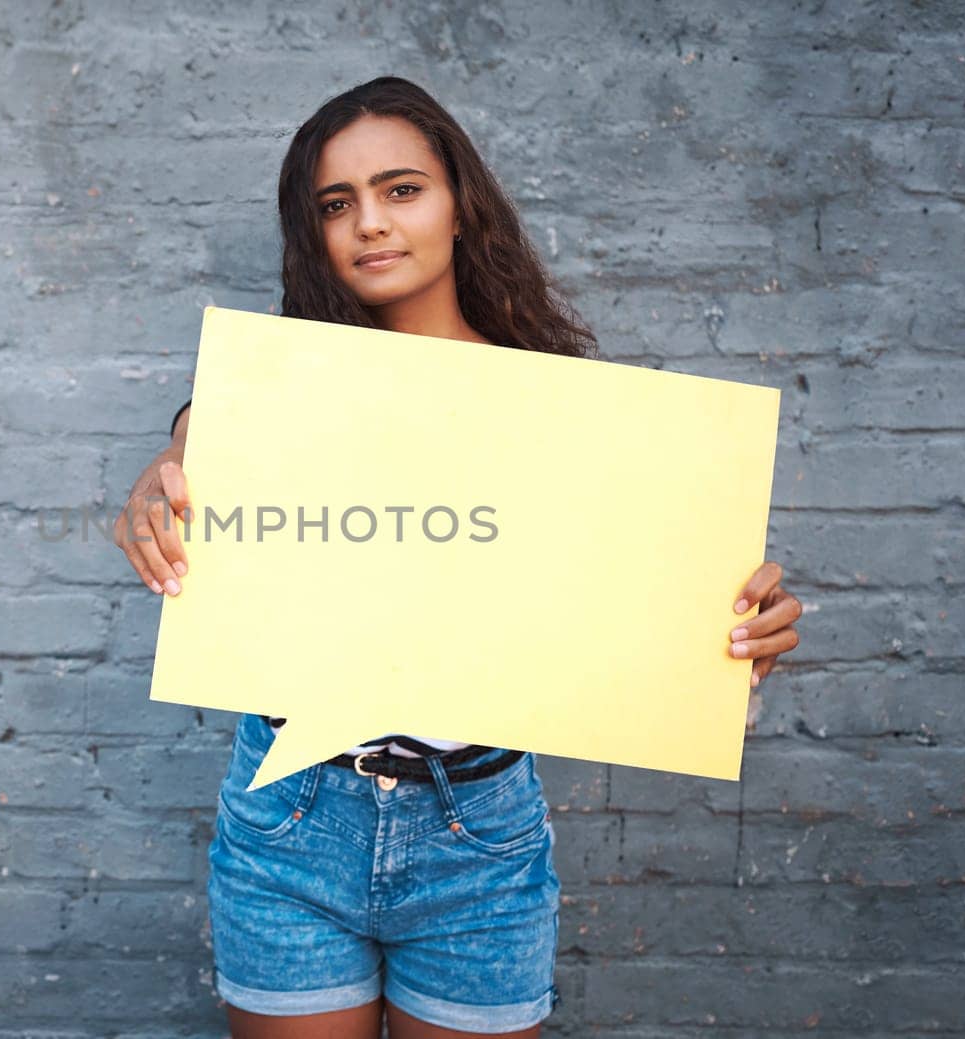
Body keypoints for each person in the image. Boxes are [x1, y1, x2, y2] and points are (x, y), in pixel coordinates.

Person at [113, 76, 803, 1039]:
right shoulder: (277, 391)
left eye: (401, 189)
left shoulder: (568, 412)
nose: (369, 224)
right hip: (291, 820)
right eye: (336, 204)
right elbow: (208, 431)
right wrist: (176, 457)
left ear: (458, 205)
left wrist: (736, 631)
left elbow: (646, 608)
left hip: (477, 838)